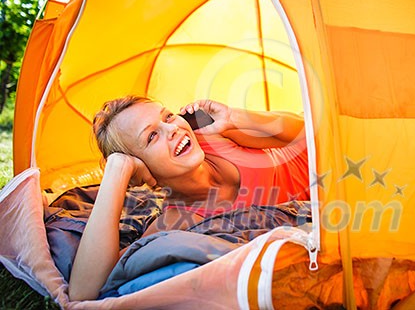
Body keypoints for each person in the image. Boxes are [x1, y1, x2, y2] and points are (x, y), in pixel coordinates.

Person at [68, 96, 310, 301]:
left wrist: (235, 116)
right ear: (139, 169)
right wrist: (117, 170)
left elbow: (307, 131)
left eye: (168, 117)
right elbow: (83, 291)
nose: (172, 129)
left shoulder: (213, 137)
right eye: (152, 136)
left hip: (330, 157)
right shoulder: (175, 222)